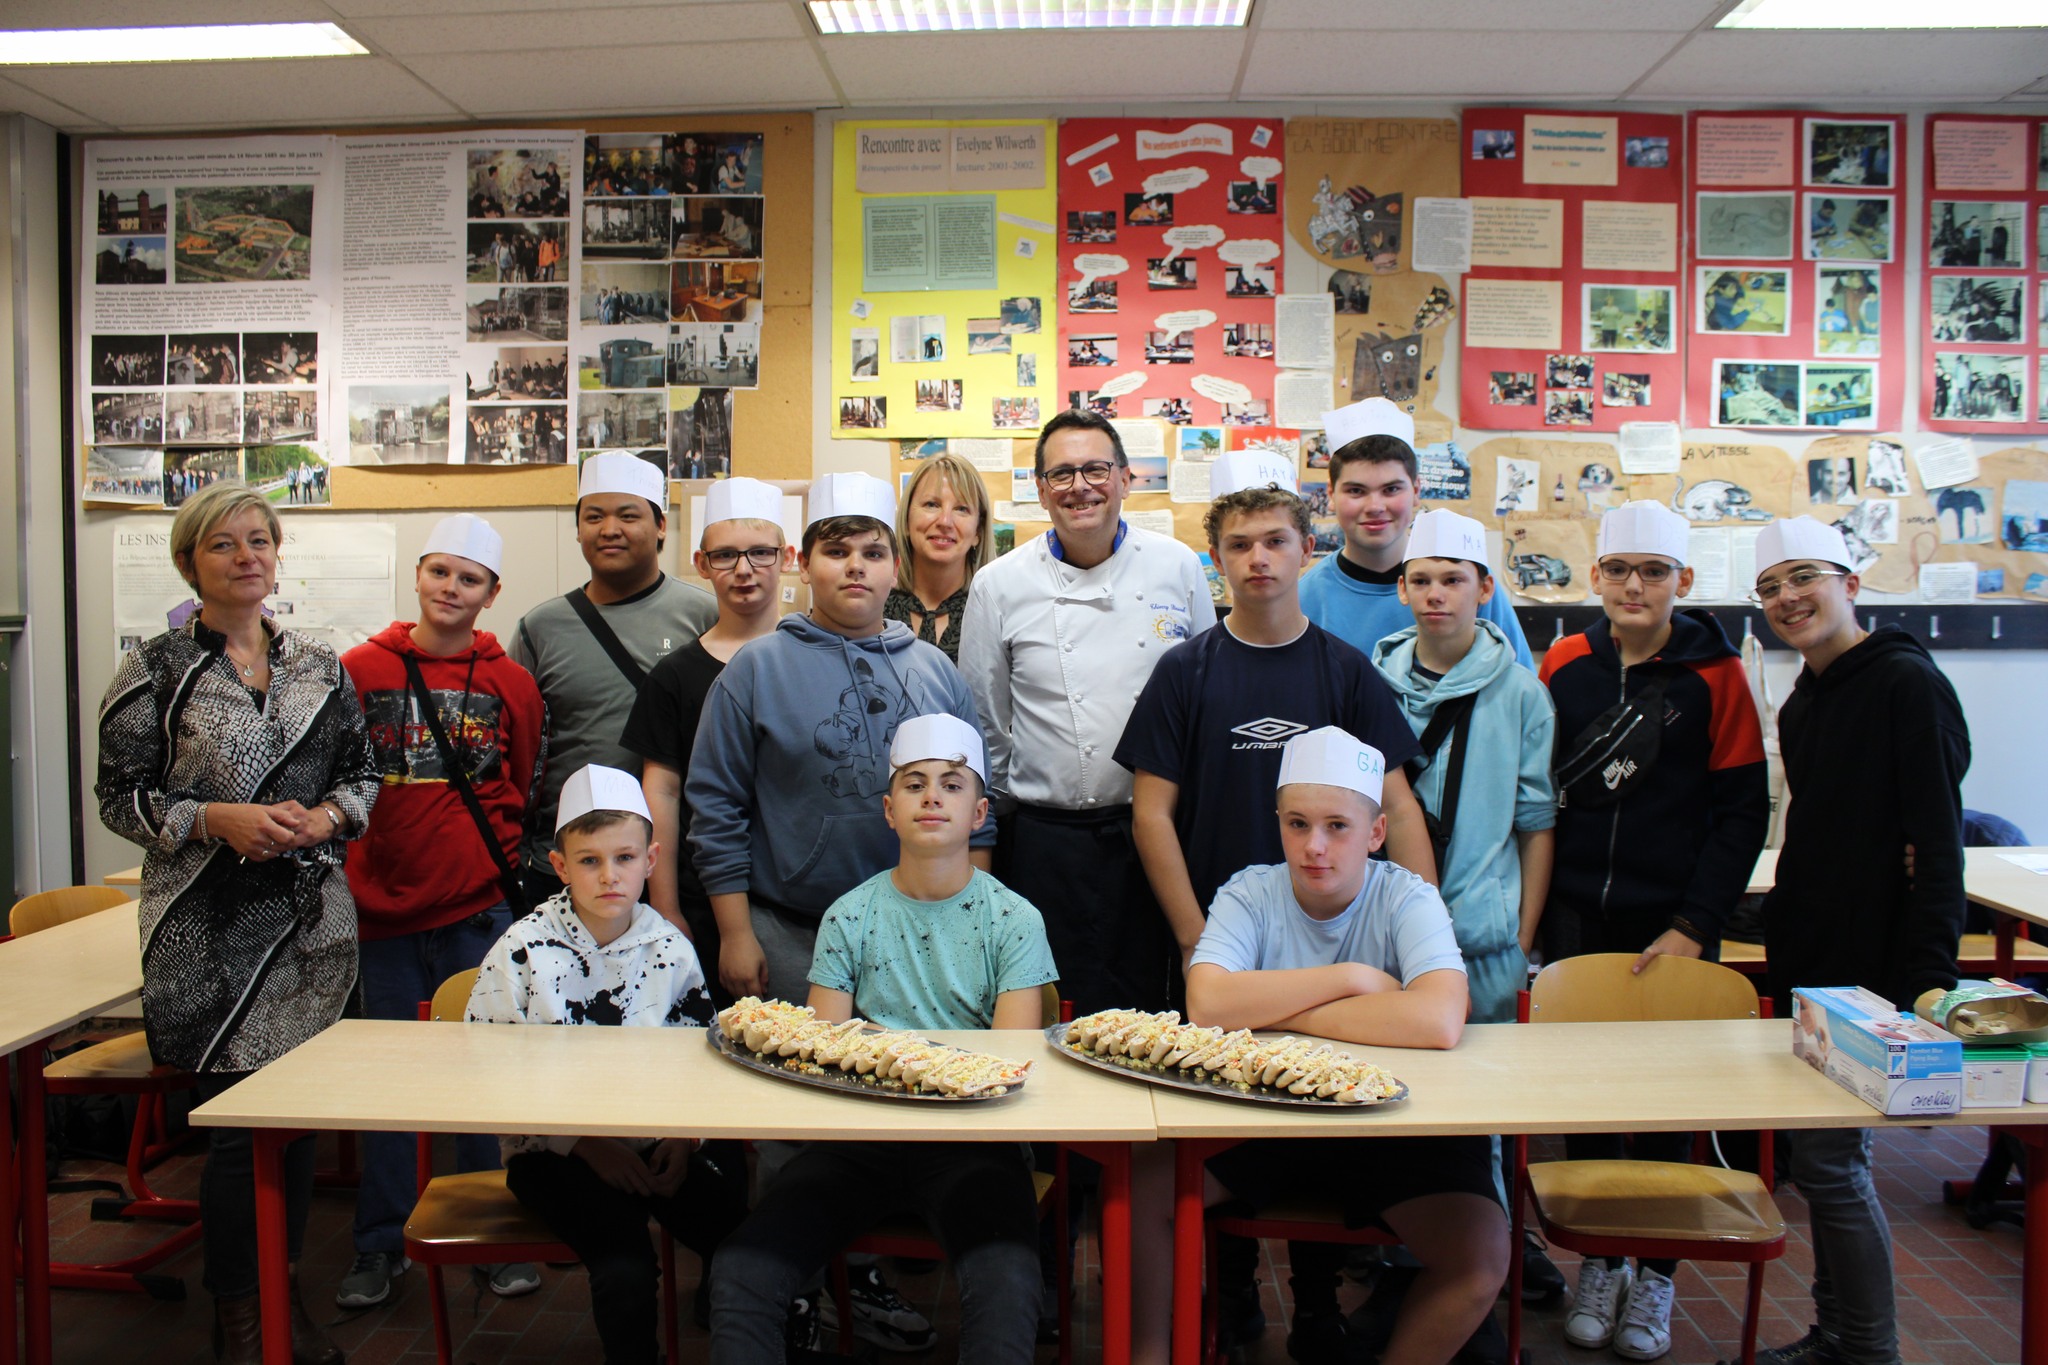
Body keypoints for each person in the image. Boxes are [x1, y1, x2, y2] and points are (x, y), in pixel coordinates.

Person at [96, 480, 379, 1365]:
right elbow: (120, 797)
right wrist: (215, 818)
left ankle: (282, 1288)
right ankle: (241, 1319)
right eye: (224, 544)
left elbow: (363, 776)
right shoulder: (155, 669)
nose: (246, 556)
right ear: (191, 563)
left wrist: (327, 820)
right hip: (205, 929)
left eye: (259, 539)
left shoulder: (318, 666)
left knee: (295, 1126)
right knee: (235, 1130)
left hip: (311, 926)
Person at [1127, 726, 1507, 1365]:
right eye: (1298, 824)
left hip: (1399, 1132)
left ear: (1376, 834)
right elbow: (1208, 1003)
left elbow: (1441, 1020)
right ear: (1277, 823)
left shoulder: (1406, 896)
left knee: (1481, 1257)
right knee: (1141, 1189)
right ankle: (1149, 1355)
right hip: (1268, 1127)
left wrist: (1286, 1017)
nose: (1315, 847)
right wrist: (1355, 981)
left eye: (1338, 827)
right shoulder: (1250, 892)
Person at [709, 714, 1054, 1363]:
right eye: (915, 783)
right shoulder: (850, 914)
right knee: (741, 1269)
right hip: (857, 1146)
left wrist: (882, 1050)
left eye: (951, 784)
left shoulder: (1014, 919)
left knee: (1009, 1283)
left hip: (972, 1145)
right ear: (888, 809)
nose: (931, 797)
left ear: (979, 810)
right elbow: (825, 1057)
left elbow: (1008, 1063)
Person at [1538, 500, 1769, 1361]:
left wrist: (1693, 924)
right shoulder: (1564, 662)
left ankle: (1659, 1276)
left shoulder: (1718, 676)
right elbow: (1541, 792)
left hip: (1670, 924)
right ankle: (1602, 1262)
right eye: (1619, 570)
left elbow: (1743, 813)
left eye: (1654, 572)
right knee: (1591, 1103)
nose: (1635, 586)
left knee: (1669, 1108)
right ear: (1596, 578)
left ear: (1684, 582)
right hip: (1574, 915)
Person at [1747, 518, 1967, 1365]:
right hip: (1813, 953)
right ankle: (1836, 1331)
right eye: (1770, 587)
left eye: (1804, 577)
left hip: (1875, 970)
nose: (1787, 599)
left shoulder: (1907, 682)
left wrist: (1929, 977)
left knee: (1835, 1166)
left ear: (1852, 585)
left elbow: (1938, 841)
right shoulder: (1806, 696)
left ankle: (1866, 1346)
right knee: (1821, 1158)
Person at [333, 514, 547, 1309]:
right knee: (388, 1083)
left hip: (474, 910)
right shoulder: (360, 668)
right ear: (418, 576)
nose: (451, 589)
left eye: (469, 579)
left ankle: (485, 1231)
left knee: (477, 1081)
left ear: (492, 593)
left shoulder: (511, 683)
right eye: (439, 573)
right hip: (378, 912)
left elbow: (519, 779)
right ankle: (379, 1242)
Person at [1117, 449, 1437, 975]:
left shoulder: (1347, 671)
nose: (1258, 559)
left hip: (1341, 937)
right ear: (1216, 561)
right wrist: (1195, 939)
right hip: (1219, 932)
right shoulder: (1182, 672)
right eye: (1239, 546)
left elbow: (1398, 809)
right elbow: (1151, 816)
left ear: (1307, 549)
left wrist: (1427, 937)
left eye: (1275, 541)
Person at [468, 765, 747, 1365]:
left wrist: (684, 1135)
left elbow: (699, 1058)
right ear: (560, 866)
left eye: (623, 858)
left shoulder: (670, 948)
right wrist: (586, 1144)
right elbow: (484, 1075)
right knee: (624, 1264)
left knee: (743, 1238)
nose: (609, 875)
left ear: (650, 860)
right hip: (552, 1153)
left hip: (654, 1145)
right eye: (589, 861)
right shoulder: (521, 951)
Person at [959, 409, 1215, 1015]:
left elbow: (1205, 693)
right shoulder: (1000, 584)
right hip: (1045, 842)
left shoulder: (1177, 566)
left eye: (1096, 469)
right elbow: (986, 722)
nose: (1081, 486)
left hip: (1156, 834)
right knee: (1052, 1004)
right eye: (1062, 474)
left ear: (1126, 478)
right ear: (1041, 489)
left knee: (1155, 1006)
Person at [1370, 509, 1555, 1024]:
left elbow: (1535, 825)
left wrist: (1520, 938)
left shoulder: (1523, 696)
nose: (1436, 594)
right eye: (1422, 580)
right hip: (1385, 940)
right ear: (1402, 590)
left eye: (1454, 580)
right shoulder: (1371, 688)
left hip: (1487, 946)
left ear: (1485, 587)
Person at [511, 451, 716, 914]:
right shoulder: (540, 628)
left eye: (628, 515)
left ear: (661, 525)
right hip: (566, 858)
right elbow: (522, 751)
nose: (610, 529)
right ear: (578, 528)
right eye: (594, 516)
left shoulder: (704, 614)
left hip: (675, 858)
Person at [621, 478, 792, 1002]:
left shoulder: (811, 658)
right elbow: (663, 794)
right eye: (725, 556)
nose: (744, 570)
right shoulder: (674, 676)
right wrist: (666, 908)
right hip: (705, 895)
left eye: (760, 553)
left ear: (787, 558)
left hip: (796, 895)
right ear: (701, 563)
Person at [1298, 397, 1534, 669]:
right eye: (1356, 491)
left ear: (1417, 491)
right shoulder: (1307, 599)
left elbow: (1522, 690)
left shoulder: (1467, 584)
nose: (1375, 507)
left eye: (1391, 489)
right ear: (1330, 494)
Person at [884, 453, 991, 663]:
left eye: (961, 509)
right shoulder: (873, 606)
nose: (945, 521)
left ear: (977, 531)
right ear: (906, 520)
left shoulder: (992, 613)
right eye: (931, 504)